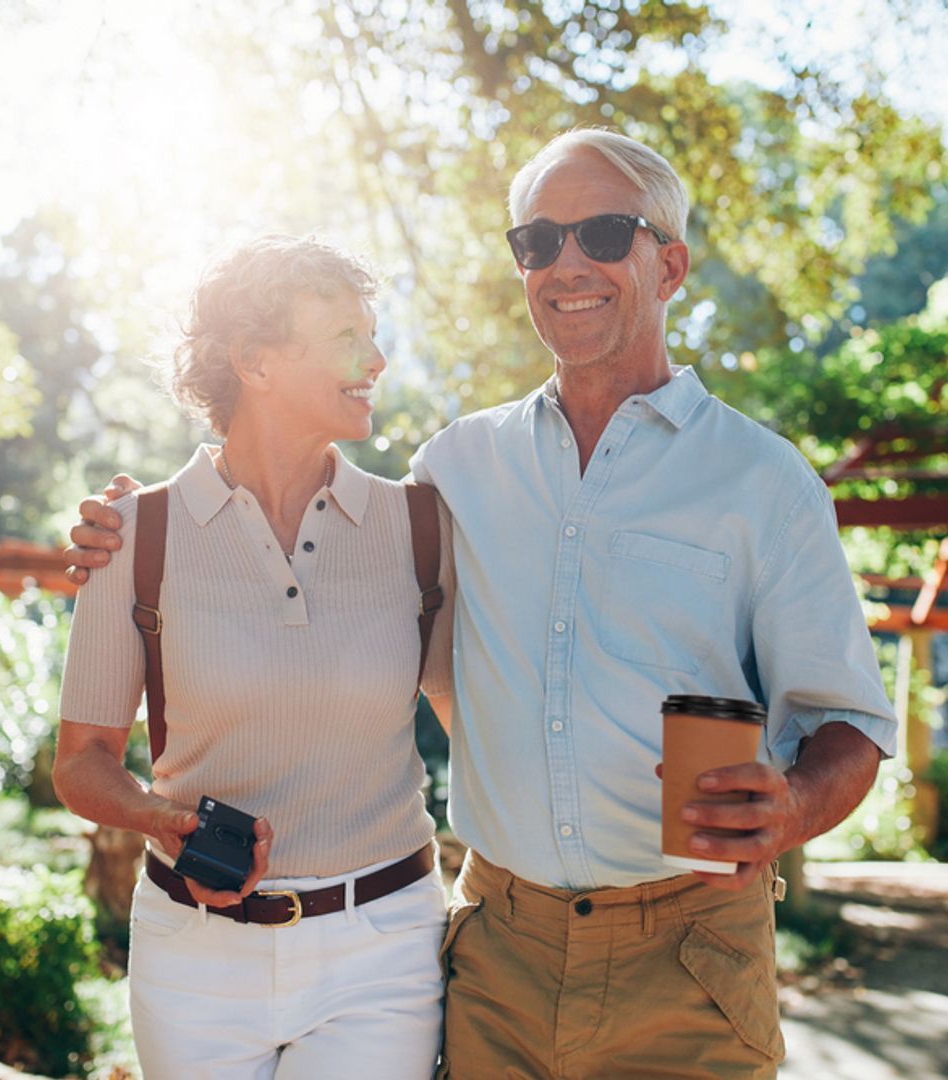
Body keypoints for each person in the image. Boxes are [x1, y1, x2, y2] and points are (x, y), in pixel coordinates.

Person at [66, 130, 897, 1079]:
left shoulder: (765, 480)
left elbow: (848, 724)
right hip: (498, 951)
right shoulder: (454, 471)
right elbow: (297, 534)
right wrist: (129, 528)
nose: (565, 264)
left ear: (668, 265)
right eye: (538, 242)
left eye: (602, 233)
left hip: (692, 959)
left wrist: (790, 806)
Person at [53, 234, 456, 1080]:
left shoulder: (420, 530)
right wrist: (166, 821)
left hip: (383, 949)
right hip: (192, 959)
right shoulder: (133, 537)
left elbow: (479, 725)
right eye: (348, 335)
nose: (377, 359)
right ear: (257, 361)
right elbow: (83, 765)